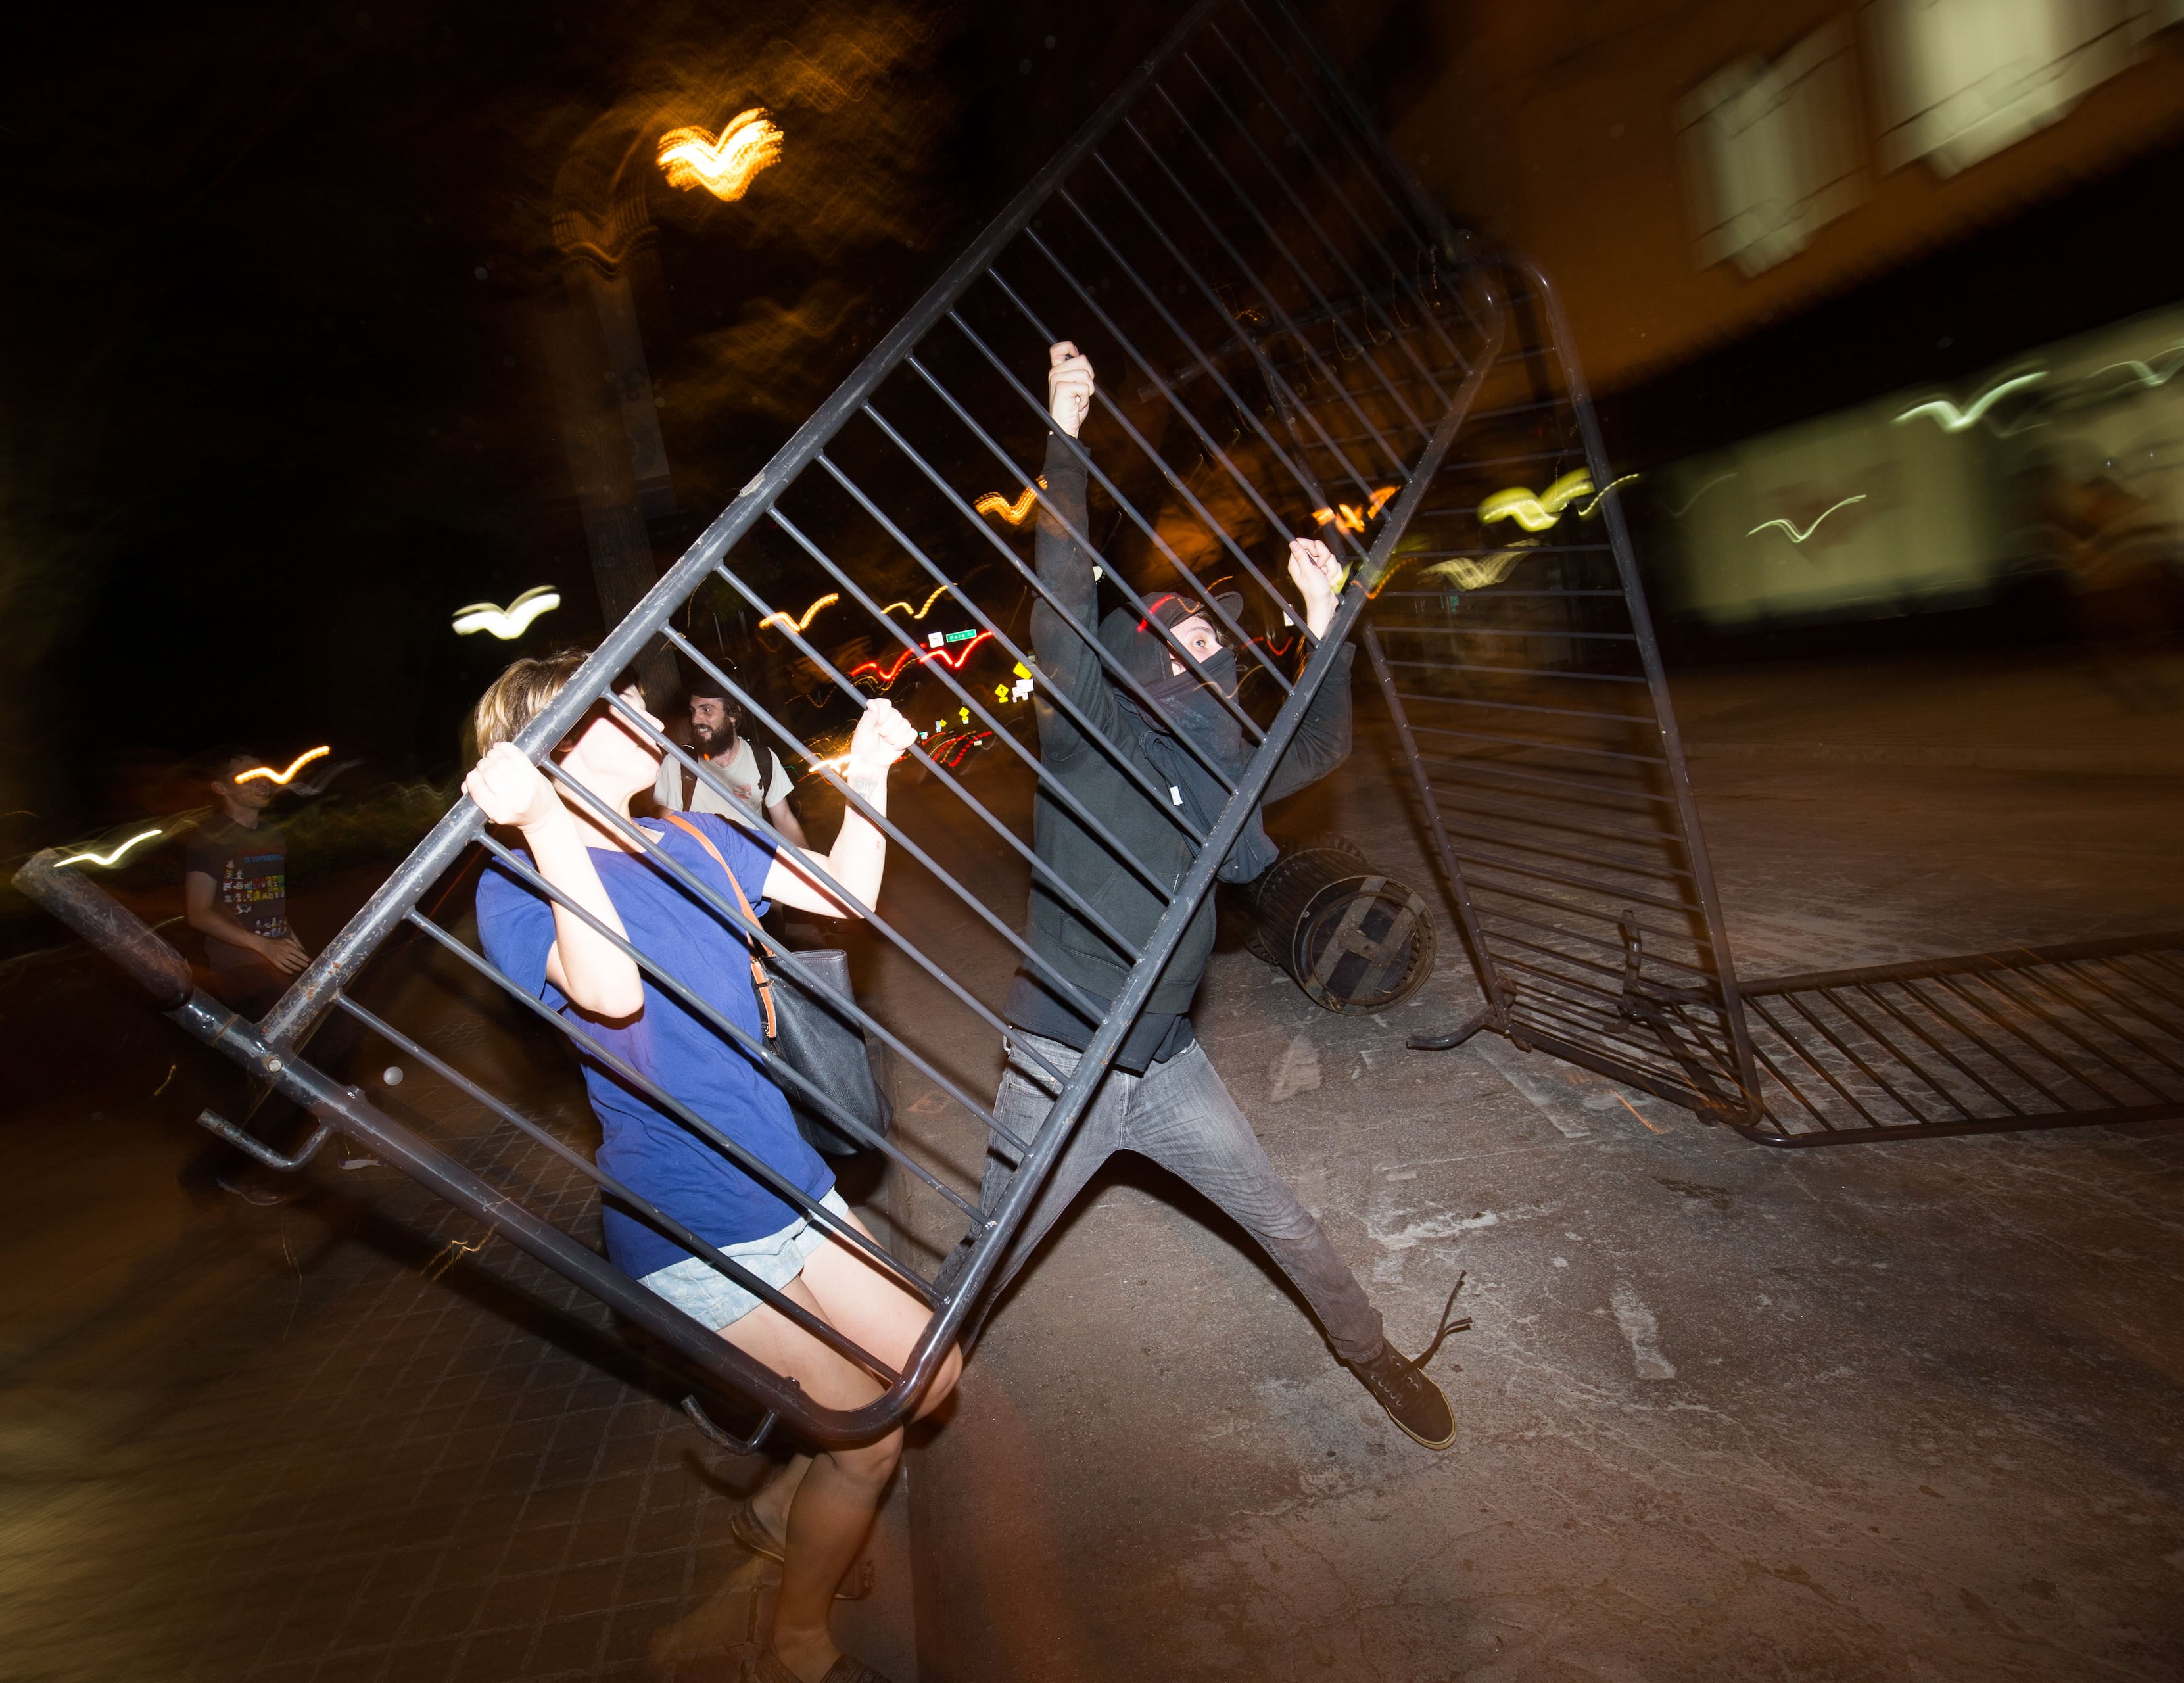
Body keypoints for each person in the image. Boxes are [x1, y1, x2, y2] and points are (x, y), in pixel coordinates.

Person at [982, 339, 1460, 1450]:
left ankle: (1370, 1352)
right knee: (983, 1265)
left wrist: (1330, 620)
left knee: (1284, 1221)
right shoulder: (1087, 740)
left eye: (1216, 636)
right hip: (1062, 1066)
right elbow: (1062, 602)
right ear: (1138, 658)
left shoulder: (1220, 773)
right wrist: (1064, 440)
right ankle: (864, 1423)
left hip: (1168, 1063)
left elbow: (1324, 738)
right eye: (1187, 635)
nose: (1209, 647)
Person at [463, 650, 951, 1683]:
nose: (646, 709)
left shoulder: (693, 831)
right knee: (867, 1442)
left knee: (930, 1376)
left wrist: (866, 776)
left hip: (786, 1172)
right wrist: (547, 827)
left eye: (636, 693)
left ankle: (784, 1507)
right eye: (617, 704)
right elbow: (608, 997)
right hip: (690, 1216)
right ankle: (794, 1642)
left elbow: (847, 896)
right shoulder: (514, 886)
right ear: (552, 746)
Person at [178, 747, 316, 1205]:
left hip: (277, 961)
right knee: (289, 1065)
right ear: (221, 789)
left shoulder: (273, 835)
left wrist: (297, 952)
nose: (262, 781)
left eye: (263, 773)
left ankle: (234, 1164)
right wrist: (262, 947)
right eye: (247, 776)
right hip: (241, 969)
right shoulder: (209, 839)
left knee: (302, 1059)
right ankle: (239, 1168)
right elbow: (198, 914)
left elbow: (271, 906)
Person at [653, 661, 811, 848]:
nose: (696, 719)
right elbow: (665, 834)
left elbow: (784, 821)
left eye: (707, 710)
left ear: (733, 714)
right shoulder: (678, 764)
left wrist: (811, 873)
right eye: (693, 711)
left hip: (755, 869)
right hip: (705, 872)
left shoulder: (764, 760)